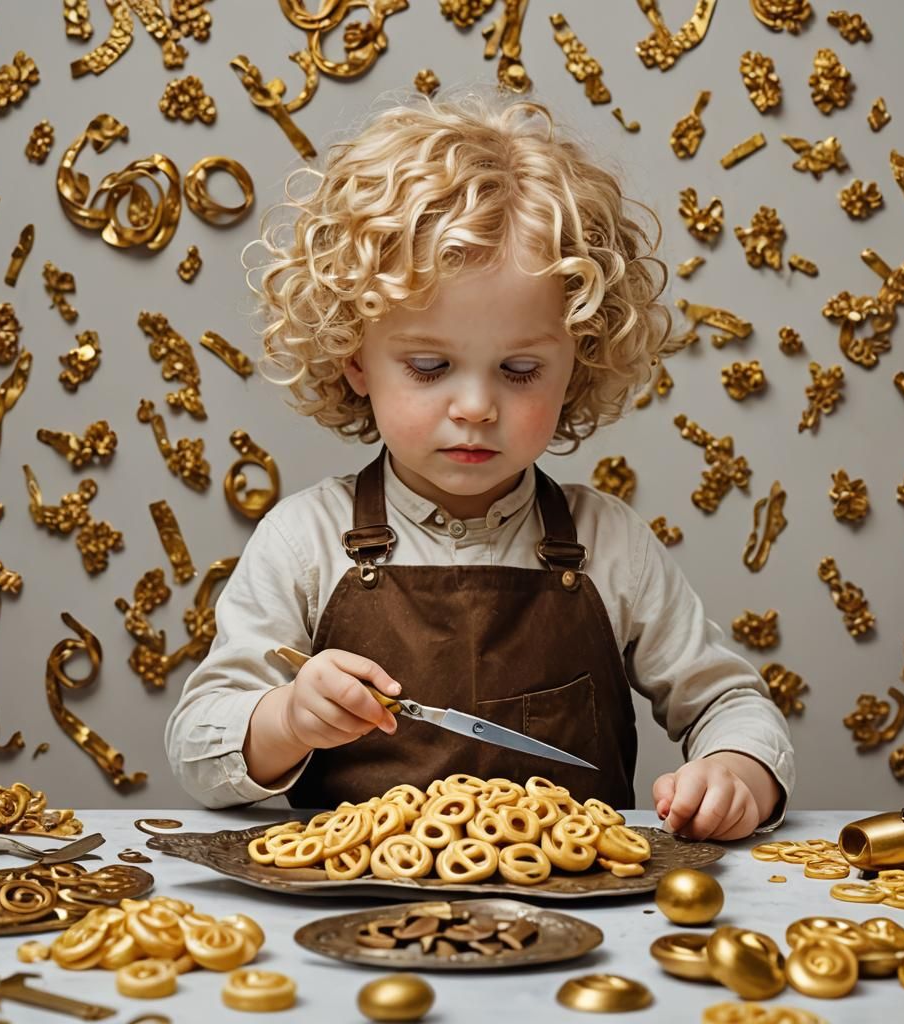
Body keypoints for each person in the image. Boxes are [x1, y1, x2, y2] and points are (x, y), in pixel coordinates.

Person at [165, 90, 794, 841]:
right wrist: (288, 719)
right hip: (358, 920)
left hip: (576, 915)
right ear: (354, 359)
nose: (475, 407)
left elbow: (732, 704)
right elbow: (198, 745)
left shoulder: (611, 546)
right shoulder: (306, 541)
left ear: (577, 365)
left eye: (520, 370)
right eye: (430, 366)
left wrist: (734, 772)